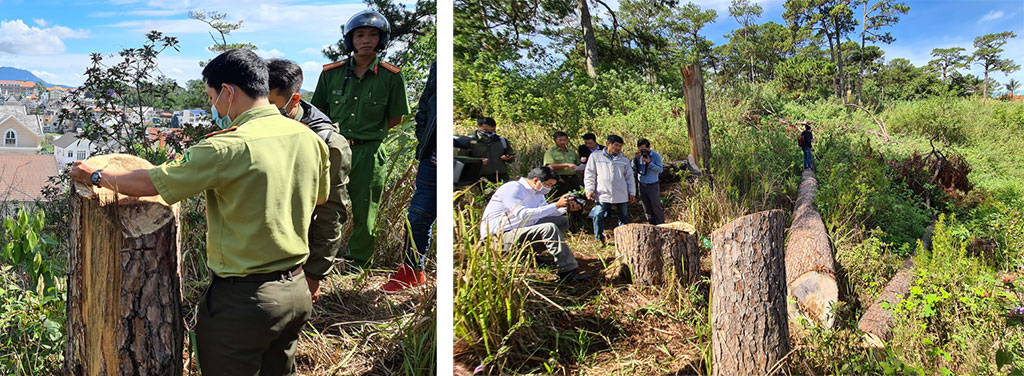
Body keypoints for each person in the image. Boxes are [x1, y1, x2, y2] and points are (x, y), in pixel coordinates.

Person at [68, 49, 330, 374]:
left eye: (211, 96)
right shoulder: (309, 138)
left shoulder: (225, 147)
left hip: (245, 301)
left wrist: (97, 176)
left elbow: (154, 182)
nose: (213, 106)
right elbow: (321, 198)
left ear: (229, 92)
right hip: (295, 290)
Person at [311, 10, 410, 269]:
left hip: (369, 151)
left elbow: (396, 118)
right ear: (350, 40)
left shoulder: (391, 76)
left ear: (382, 39)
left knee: (366, 211)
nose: (366, 40)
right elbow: (319, 113)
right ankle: (321, 260)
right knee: (326, 206)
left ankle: (359, 263)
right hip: (334, 149)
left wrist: (368, 134)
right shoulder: (331, 73)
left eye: (373, 35)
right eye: (360, 35)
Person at [267, 58, 352, 301]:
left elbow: (331, 212)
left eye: (271, 104)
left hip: (297, 253)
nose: (262, 111)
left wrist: (314, 274)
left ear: (295, 99)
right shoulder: (257, 127)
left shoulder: (327, 143)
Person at [480, 166, 591, 282]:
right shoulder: (512, 188)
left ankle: (530, 254)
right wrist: (556, 205)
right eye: (548, 185)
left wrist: (567, 208)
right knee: (549, 228)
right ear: (536, 180)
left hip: (519, 230)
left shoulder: (537, 192)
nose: (549, 188)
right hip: (499, 236)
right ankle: (567, 270)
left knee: (562, 221)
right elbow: (523, 214)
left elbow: (545, 212)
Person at [383, 61, 436, 293]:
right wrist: (423, 136)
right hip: (431, 159)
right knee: (417, 216)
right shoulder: (438, 65)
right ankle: (412, 271)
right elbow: (425, 104)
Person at [585, 134, 635, 243]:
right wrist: (589, 190)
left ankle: (624, 239)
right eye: (616, 145)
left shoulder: (623, 160)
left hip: (620, 192)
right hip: (602, 193)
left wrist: (632, 192)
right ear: (608, 144)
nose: (618, 148)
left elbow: (629, 177)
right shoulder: (595, 157)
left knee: (623, 216)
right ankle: (599, 238)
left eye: (620, 146)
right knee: (598, 214)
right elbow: (590, 174)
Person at [457, 117, 515, 184]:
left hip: (501, 177)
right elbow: (461, 160)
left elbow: (511, 157)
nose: (490, 132)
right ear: (478, 127)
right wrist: (477, 162)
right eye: (486, 130)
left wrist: (509, 158)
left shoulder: (501, 141)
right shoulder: (469, 142)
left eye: (492, 130)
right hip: (479, 178)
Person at [633, 138, 665, 225]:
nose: (643, 151)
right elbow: (633, 168)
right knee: (646, 208)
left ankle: (661, 226)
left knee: (656, 207)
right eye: (640, 149)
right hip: (642, 186)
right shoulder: (638, 156)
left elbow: (660, 169)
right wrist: (636, 159)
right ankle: (651, 226)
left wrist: (649, 163)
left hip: (652, 186)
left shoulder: (656, 156)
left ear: (649, 147)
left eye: (644, 149)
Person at [543, 131, 580, 197]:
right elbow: (549, 166)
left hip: (573, 179)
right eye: (560, 140)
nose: (563, 142)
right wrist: (566, 165)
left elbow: (577, 164)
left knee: (576, 198)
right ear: (555, 140)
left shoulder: (571, 152)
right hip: (559, 179)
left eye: (565, 140)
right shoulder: (550, 152)